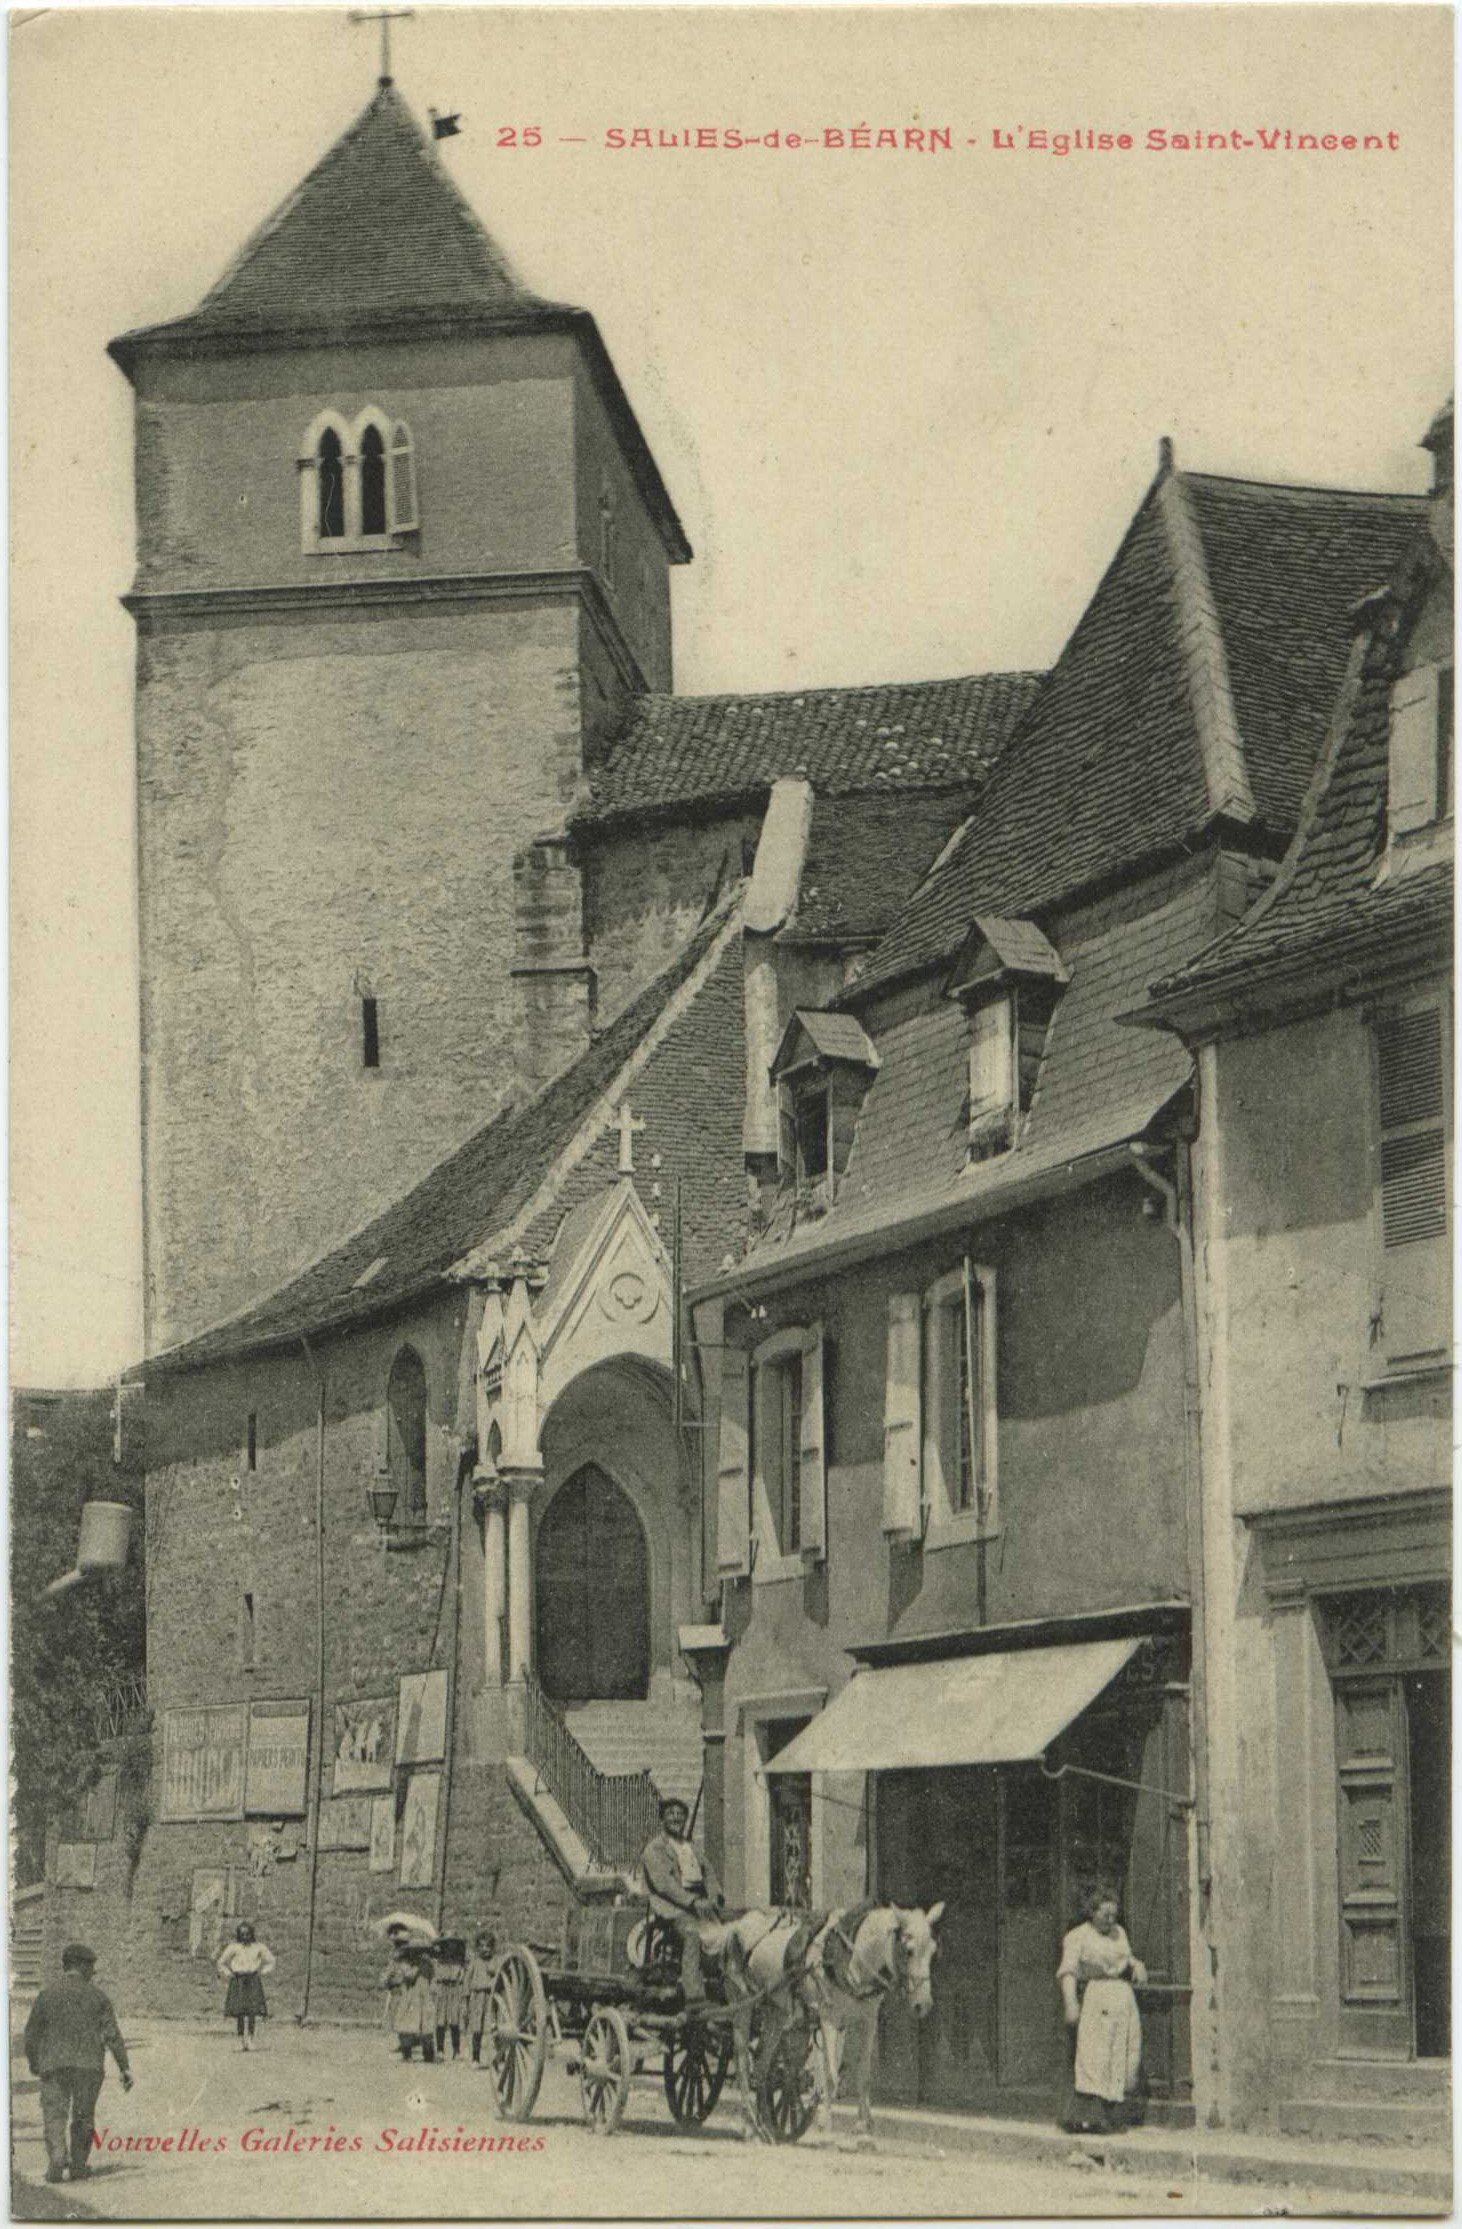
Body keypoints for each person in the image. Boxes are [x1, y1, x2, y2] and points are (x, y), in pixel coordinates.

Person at [23, 1942, 133, 2185]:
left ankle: (57, 2158)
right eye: (91, 1966)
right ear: (81, 1966)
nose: (93, 1971)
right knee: (84, 2116)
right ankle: (79, 2166)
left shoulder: (47, 1994)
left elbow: (31, 2033)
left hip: (54, 2064)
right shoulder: (98, 1997)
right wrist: (124, 2068)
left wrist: (34, 2061)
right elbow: (113, 2035)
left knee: (54, 2114)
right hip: (88, 2066)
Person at [1057, 1884, 1147, 2133]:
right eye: (1104, 1914)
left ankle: (1112, 2115)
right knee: (1095, 2055)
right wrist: (1071, 2003)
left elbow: (1126, 1958)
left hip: (1122, 1997)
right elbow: (1067, 1971)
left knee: (1121, 2053)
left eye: (1113, 1915)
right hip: (1096, 1997)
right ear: (1091, 1912)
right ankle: (1089, 2117)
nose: (1110, 1920)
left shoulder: (1119, 1933)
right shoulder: (1078, 1936)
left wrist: (1137, 1964)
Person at [637, 1796, 723, 2005]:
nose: (676, 1818)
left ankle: (721, 1983)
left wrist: (713, 1896)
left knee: (726, 1934)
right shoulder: (654, 1849)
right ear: (662, 1819)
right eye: (671, 1814)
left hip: (698, 1904)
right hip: (670, 1907)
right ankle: (694, 1993)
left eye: (680, 1815)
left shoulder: (690, 1847)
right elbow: (664, 1885)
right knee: (693, 1932)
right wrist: (692, 1902)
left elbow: (708, 1872)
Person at [217, 1920, 276, 2051]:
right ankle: (240, 2040)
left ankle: (250, 2040)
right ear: (239, 1935)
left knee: (252, 2011)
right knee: (239, 2012)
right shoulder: (233, 1947)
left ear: (252, 1934)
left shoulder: (258, 1947)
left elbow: (271, 1961)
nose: (245, 1937)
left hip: (253, 1980)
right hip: (238, 1980)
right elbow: (221, 1962)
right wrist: (228, 1973)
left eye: (248, 1934)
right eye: (242, 1934)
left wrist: (262, 1971)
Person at [384, 1933, 437, 2062]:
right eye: (414, 1951)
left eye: (419, 1951)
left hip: (424, 1998)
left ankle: (428, 2054)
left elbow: (432, 1978)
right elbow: (409, 1976)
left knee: (426, 2027)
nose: (417, 1953)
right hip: (410, 1997)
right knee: (406, 2026)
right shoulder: (405, 1964)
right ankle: (406, 2054)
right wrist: (416, 1967)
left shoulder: (428, 1964)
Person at [463, 1928, 496, 2066]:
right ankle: (475, 2058)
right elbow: (467, 1980)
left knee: (493, 2026)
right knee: (477, 2028)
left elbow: (498, 1975)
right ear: (477, 1948)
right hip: (477, 1997)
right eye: (482, 1946)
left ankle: (497, 2058)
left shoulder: (494, 1961)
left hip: (490, 1997)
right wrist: (465, 1999)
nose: (485, 1949)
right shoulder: (474, 1963)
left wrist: (493, 1970)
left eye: (488, 1946)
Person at [432, 1937, 467, 2061]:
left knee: (455, 2020)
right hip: (442, 1989)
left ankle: (456, 2050)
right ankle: (440, 2050)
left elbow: (462, 1977)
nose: (450, 1948)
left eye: (453, 1945)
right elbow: (435, 1977)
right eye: (447, 1945)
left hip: (455, 1989)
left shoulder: (460, 1962)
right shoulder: (438, 1961)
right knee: (440, 2020)